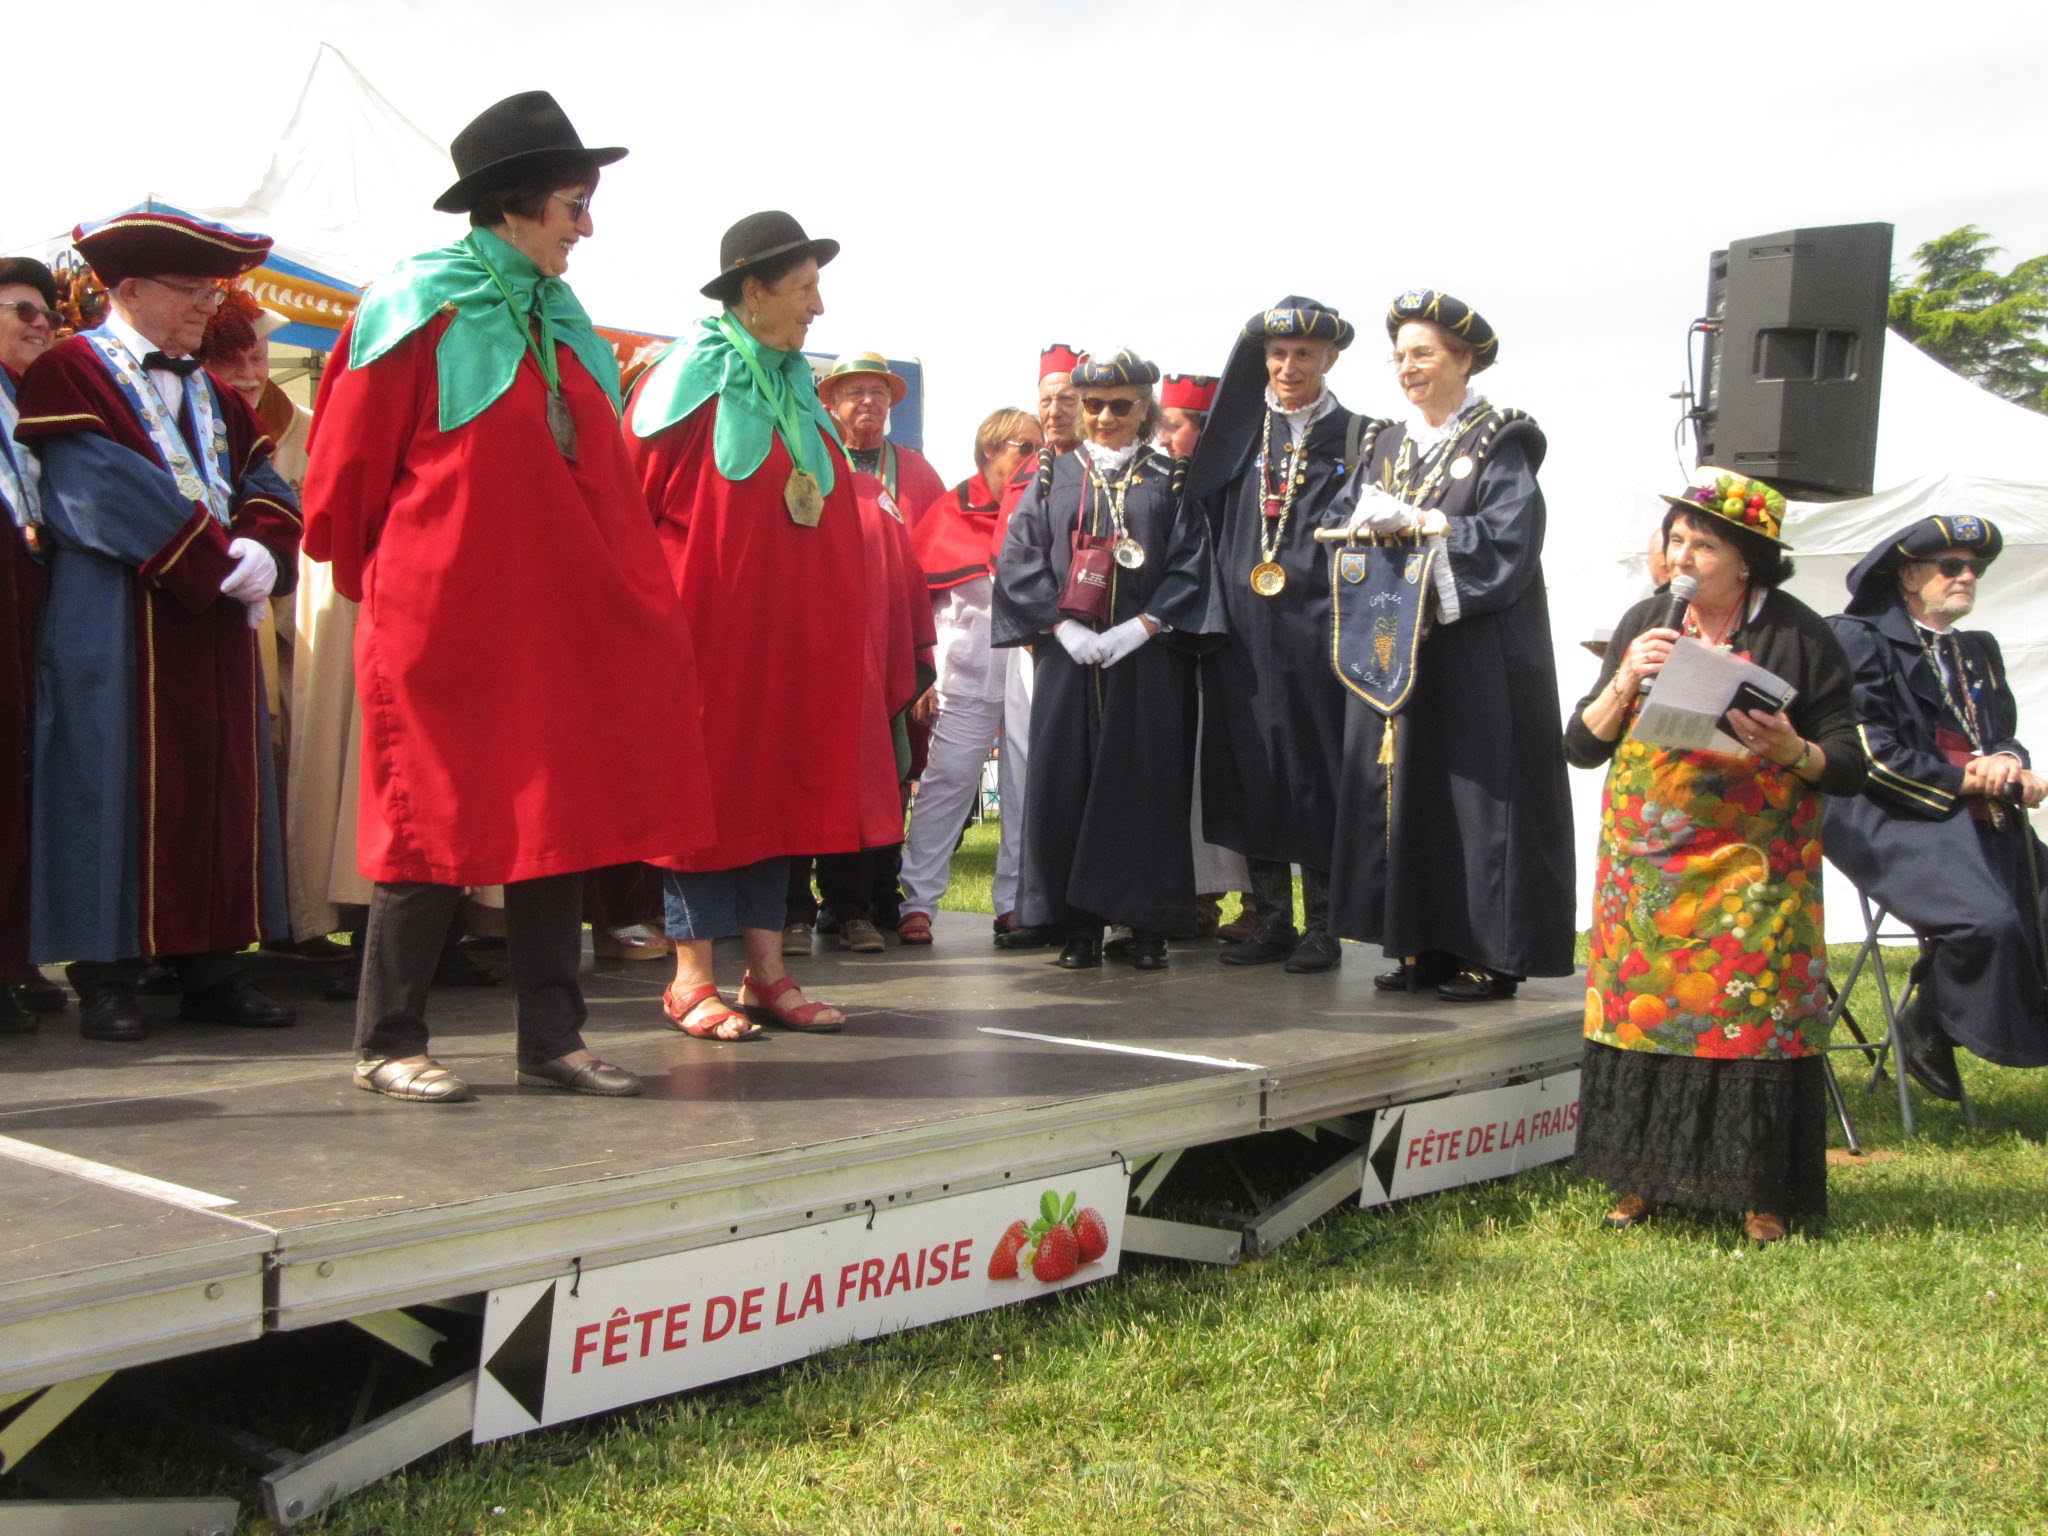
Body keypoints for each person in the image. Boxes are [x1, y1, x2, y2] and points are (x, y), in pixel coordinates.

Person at [303, 89, 715, 1100]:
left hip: (560, 615)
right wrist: (384, 582)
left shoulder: (568, 319)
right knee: (426, 815)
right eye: (576, 204)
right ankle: (389, 1040)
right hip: (443, 609)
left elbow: (606, 480)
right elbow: (344, 471)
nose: (587, 226)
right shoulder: (412, 305)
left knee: (553, 815)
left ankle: (552, 1040)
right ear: (521, 202)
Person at [13, 212, 301, 1042]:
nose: (210, 305)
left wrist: (264, 552)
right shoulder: (74, 372)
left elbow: (265, 485)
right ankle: (106, 974)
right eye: (192, 289)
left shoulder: (210, 390)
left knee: (216, 782)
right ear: (129, 289)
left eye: (215, 289)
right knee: (106, 780)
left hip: (209, 622)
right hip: (116, 611)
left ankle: (210, 962)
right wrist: (217, 564)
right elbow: (90, 490)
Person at [1566, 470, 1865, 1242]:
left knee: (1750, 1017)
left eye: (1704, 544)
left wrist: (1795, 749)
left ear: (1748, 561)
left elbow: (1849, 761)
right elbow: (1580, 746)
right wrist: (1627, 675)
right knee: (1645, 1019)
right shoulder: (1645, 619)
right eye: (1676, 540)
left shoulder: (1798, 634)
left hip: (1750, 865)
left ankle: (1760, 1192)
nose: (1684, 556)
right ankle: (1639, 1180)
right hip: (1649, 868)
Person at [627, 209, 898, 1038]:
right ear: (753, 291)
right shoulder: (683, 380)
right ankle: (690, 978)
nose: (818, 307)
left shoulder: (797, 393)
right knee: (705, 797)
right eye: (804, 289)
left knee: (776, 791)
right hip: (706, 639)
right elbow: (625, 508)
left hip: (790, 645)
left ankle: (768, 972)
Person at [1327, 289, 1574, 1000]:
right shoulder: (1386, 443)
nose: (1408, 368)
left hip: (1479, 652)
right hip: (1400, 650)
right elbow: (1343, 523)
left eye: (1423, 354)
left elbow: (1507, 540)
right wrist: (1368, 525)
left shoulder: (1500, 441)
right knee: (1414, 791)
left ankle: (1492, 952)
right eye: (1400, 355)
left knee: (1477, 796)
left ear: (1465, 359)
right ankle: (1422, 942)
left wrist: (1426, 526)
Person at [991, 348, 1223, 969]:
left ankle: (1146, 926)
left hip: (1148, 660)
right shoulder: (1053, 477)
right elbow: (1022, 558)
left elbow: (1192, 564)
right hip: (1069, 660)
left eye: (1119, 406)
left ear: (1143, 408)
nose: (1103, 418)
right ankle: (1078, 926)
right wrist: (1061, 627)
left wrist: (1144, 627)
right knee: (1068, 783)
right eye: (1092, 405)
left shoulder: (1170, 480)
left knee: (1144, 785)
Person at [1824, 515, 2048, 1101]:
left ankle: (1934, 1013)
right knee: (1989, 921)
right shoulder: (1858, 637)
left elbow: (2001, 733)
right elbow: (1871, 752)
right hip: (1889, 814)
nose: (1967, 576)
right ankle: (1928, 1024)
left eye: (1973, 567)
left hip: (1979, 813)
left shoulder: (1978, 649)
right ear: (1907, 576)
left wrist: (2010, 764)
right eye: (1951, 567)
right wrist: (1967, 778)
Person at [1186, 299, 1366, 971]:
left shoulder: (1359, 437)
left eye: (1305, 354)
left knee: (1316, 775)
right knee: (1250, 769)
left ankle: (1325, 924)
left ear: (1331, 358)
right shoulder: (1236, 434)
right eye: (1278, 353)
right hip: (1240, 632)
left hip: (1319, 630)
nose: (1289, 366)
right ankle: (1271, 916)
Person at [786, 350, 946, 952]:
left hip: (891, 653)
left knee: (884, 775)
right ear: (829, 404)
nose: (868, 404)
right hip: (817, 653)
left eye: (878, 393)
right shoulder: (806, 466)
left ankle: (869, 901)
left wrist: (920, 663)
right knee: (809, 773)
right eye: (854, 393)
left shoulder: (917, 474)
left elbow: (928, 572)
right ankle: (796, 909)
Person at [896, 407, 1044, 944]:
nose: (1035, 456)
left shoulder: (1045, 506)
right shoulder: (948, 512)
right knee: (947, 784)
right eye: (1023, 447)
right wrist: (924, 675)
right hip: (964, 674)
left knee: (1024, 789)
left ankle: (1014, 901)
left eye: (1039, 446)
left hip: (1029, 671)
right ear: (990, 451)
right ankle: (917, 902)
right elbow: (919, 602)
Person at [987, 343, 1086, 951]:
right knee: (1027, 777)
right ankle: (1025, 900)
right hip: (1039, 641)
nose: (1055, 410)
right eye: (1046, 399)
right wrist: (1047, 624)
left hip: (1107, 644)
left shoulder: (1114, 468)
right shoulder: (1029, 473)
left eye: (1067, 398)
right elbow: (1012, 558)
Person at [0, 258, 62, 1031]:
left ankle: (15, 958)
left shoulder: (31, 400)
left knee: (21, 780)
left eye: (46, 313)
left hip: (26, 601)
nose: (41, 322)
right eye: (21, 310)